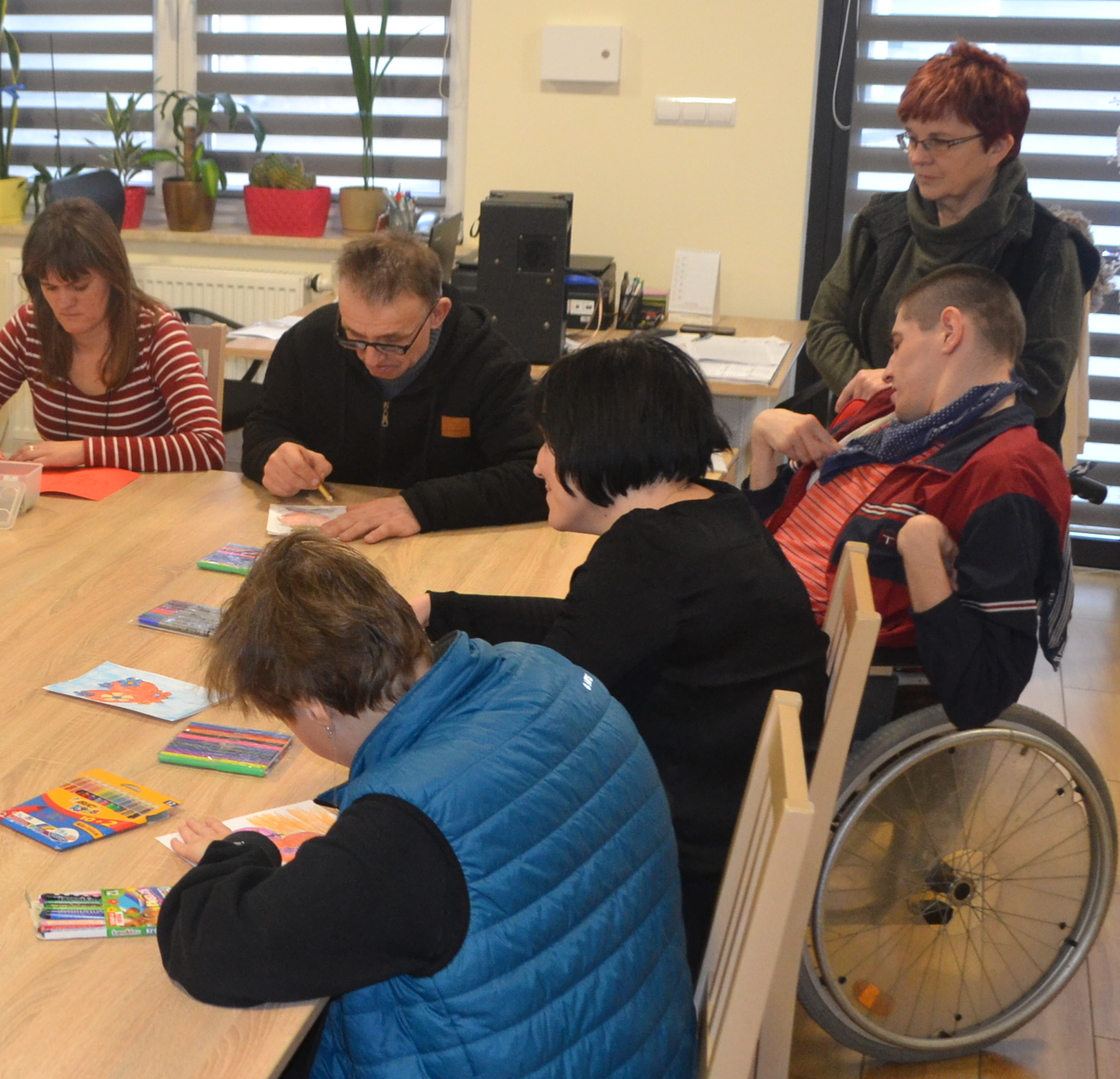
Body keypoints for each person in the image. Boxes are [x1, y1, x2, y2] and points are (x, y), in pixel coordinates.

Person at [158, 532, 696, 1078]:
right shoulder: (543, 670)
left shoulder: (406, 827)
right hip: (636, 1046)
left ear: (313, 705)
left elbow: (213, 953)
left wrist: (238, 852)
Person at [409, 336, 826, 964]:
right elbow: (583, 627)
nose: (538, 467)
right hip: (714, 841)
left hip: (664, 883)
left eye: (549, 444)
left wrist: (408, 704)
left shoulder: (647, 554)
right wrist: (438, 611)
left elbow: (537, 710)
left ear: (597, 440)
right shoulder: (712, 513)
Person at [751, 265, 1071, 730]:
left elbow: (982, 693)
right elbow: (784, 528)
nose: (888, 368)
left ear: (949, 331)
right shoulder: (892, 420)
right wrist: (763, 440)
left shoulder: (1006, 473)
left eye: (898, 344)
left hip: (787, 666)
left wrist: (921, 551)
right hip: (755, 599)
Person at [802, 39, 1097, 449]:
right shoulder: (881, 222)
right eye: (912, 138)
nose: (918, 157)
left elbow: (1042, 386)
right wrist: (881, 397)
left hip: (975, 463)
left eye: (940, 142)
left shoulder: (1047, 249)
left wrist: (901, 390)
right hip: (870, 445)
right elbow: (825, 326)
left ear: (998, 147)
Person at [240, 232, 545, 542]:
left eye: (393, 341)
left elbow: (537, 476)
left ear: (437, 314)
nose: (372, 359)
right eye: (354, 337)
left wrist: (420, 507)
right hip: (332, 540)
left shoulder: (489, 364)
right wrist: (271, 455)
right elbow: (264, 426)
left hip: (447, 541)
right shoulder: (308, 341)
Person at [0, 198, 224, 471]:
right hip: (63, 502)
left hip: (148, 501)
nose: (63, 303)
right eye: (50, 287)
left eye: (79, 287)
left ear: (113, 276)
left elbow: (208, 446)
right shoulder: (29, 328)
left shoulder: (158, 333)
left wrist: (85, 452)